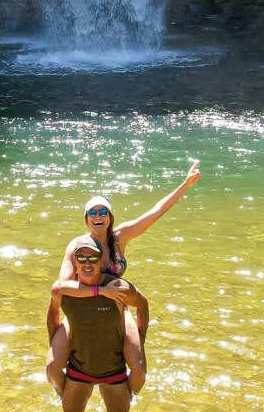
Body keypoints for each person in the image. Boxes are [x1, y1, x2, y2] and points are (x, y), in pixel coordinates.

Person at [47, 159, 202, 388]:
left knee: (139, 369)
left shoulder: (120, 237)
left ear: (110, 217)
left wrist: (185, 185)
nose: (98, 216)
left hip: (117, 309)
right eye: (92, 212)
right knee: (51, 367)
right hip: (82, 312)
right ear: (87, 219)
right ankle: (66, 396)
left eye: (103, 212)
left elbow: (155, 212)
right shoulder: (78, 247)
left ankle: (125, 398)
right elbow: (62, 286)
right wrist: (101, 290)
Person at [45, 236, 147, 412]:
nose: (87, 263)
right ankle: (63, 394)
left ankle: (130, 395)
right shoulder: (63, 290)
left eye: (93, 258)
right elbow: (53, 313)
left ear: (101, 261)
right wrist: (55, 344)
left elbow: (142, 304)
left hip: (113, 370)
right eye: (81, 258)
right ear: (74, 262)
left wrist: (140, 341)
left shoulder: (118, 288)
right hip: (79, 370)